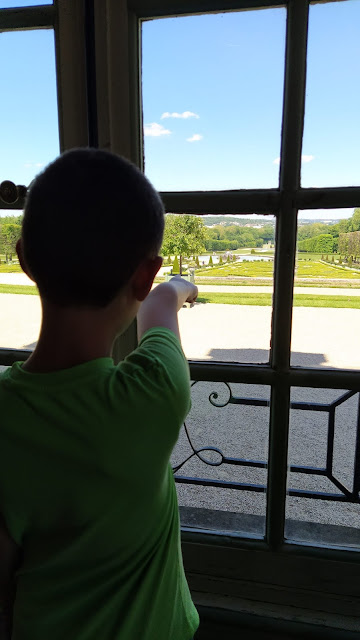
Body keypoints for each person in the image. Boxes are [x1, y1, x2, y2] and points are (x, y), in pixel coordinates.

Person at [0, 149, 199, 640]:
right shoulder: (156, 390)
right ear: (144, 272)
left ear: (24, 259)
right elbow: (161, 307)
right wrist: (180, 285)